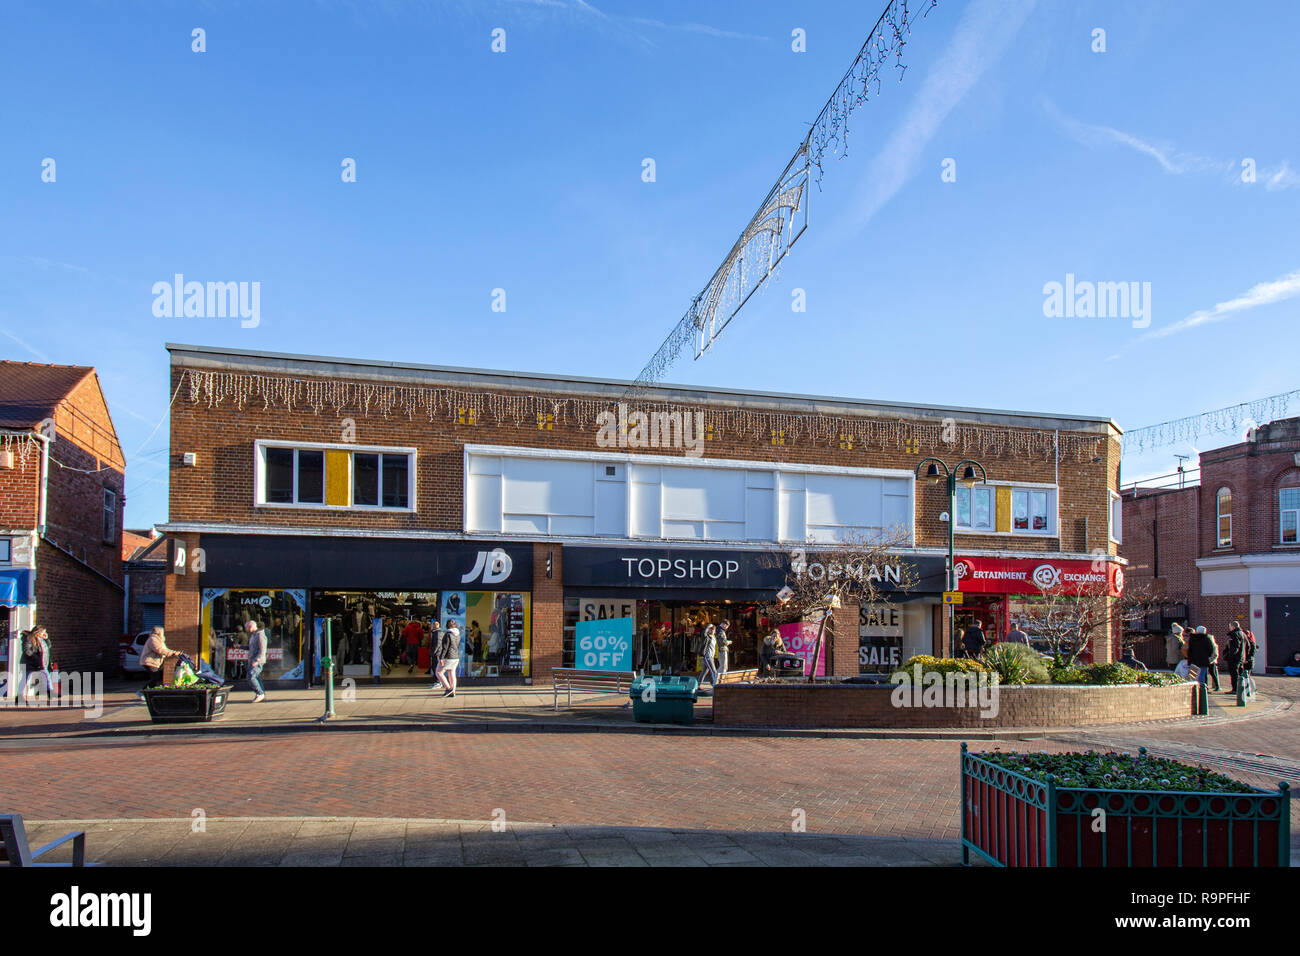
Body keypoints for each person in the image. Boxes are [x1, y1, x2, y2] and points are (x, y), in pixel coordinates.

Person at [137, 625, 182, 699]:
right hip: (150, 662)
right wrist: (173, 653)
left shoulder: (159, 640)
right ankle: (142, 692)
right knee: (154, 678)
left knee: (156, 678)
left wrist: (173, 652)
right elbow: (160, 650)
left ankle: (150, 694)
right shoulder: (153, 639)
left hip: (156, 662)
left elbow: (165, 649)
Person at [20, 626, 53, 701]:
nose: (44, 633)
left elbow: (48, 647)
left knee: (46, 675)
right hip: (29, 663)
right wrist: (36, 658)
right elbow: (27, 650)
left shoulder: (40, 639)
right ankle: (19, 696)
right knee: (25, 679)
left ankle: (50, 692)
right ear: (38, 632)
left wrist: (46, 639)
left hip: (40, 663)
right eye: (43, 632)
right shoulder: (29, 638)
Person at [244, 619, 269, 702]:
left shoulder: (260, 635)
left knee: (251, 677)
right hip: (253, 660)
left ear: (251, 626)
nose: (246, 629)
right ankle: (261, 694)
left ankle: (260, 693)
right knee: (256, 677)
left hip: (257, 661)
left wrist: (257, 660)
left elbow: (263, 650)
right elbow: (250, 648)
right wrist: (240, 646)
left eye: (246, 627)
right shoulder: (253, 635)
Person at [434, 620, 460, 697]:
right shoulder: (458, 634)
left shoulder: (447, 635)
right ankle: (453, 691)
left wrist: (441, 658)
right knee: (452, 673)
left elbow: (445, 647)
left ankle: (448, 688)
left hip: (448, 657)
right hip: (455, 657)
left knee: (438, 672)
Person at [1223, 622, 1248, 696]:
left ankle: (1235, 689)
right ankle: (1240, 688)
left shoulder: (1234, 634)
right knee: (1240, 673)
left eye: (1230, 627)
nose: (1229, 628)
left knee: (1234, 674)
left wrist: (1230, 656)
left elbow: (1235, 647)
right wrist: (1245, 656)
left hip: (1235, 658)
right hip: (1241, 658)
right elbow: (1248, 646)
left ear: (1233, 627)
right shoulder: (1243, 634)